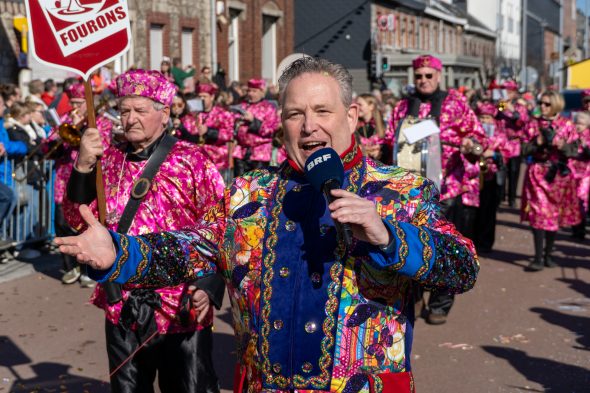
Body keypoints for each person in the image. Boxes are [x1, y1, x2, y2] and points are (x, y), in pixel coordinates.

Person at [56, 57, 479, 393]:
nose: (309, 125)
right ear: (282, 123)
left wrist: (389, 236)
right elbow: (191, 248)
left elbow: (462, 266)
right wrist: (121, 253)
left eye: (322, 111)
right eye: (295, 113)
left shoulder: (399, 190)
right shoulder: (248, 195)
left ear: (351, 116)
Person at [63, 69, 225, 393]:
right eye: (124, 110)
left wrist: (208, 284)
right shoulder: (107, 161)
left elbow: (221, 226)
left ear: (164, 113)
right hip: (124, 305)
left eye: (140, 110)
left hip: (183, 305)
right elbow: (78, 221)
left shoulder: (193, 161)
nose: (130, 118)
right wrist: (82, 166)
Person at [390, 54, 487, 325]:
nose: (423, 80)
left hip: (447, 187)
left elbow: (478, 136)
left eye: (428, 75)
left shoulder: (455, 103)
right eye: (418, 76)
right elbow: (392, 137)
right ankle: (416, 295)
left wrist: (471, 144)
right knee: (414, 241)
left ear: (438, 75)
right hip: (411, 189)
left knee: (446, 246)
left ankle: (441, 303)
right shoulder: (403, 105)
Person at [521, 91, 582, 271]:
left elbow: (576, 150)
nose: (543, 107)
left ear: (555, 105)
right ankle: (538, 257)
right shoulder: (533, 124)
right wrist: (537, 143)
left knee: (554, 214)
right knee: (538, 213)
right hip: (538, 173)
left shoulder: (567, 125)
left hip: (558, 175)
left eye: (547, 104)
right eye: (541, 103)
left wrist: (562, 146)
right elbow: (523, 149)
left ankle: (548, 255)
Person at [473, 101, 509, 253]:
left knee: (489, 210)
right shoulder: (473, 133)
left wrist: (494, 154)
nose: (484, 121)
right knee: (475, 211)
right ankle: (474, 239)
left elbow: (507, 153)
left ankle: (487, 242)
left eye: (488, 118)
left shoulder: (500, 134)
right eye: (482, 117)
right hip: (475, 176)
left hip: (491, 176)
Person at [234, 78, 283, 175]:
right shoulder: (242, 106)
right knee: (239, 187)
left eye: (254, 91)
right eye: (249, 90)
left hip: (259, 154)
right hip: (241, 153)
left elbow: (272, 129)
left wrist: (253, 121)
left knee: (257, 187)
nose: (250, 93)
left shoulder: (268, 108)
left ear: (262, 91)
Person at [496, 80, 529, 208]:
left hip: (514, 144)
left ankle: (512, 198)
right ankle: (499, 197)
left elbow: (523, 121)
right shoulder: (501, 105)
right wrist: (499, 105)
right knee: (500, 171)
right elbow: (495, 116)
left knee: (514, 172)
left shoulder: (520, 107)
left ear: (515, 93)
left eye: (509, 91)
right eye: (505, 91)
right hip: (501, 144)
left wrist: (512, 109)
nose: (507, 94)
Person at [570, 111, 590, 240]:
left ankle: (581, 229)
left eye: (581, 124)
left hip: (585, 173)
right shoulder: (571, 135)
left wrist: (585, 146)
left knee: (581, 199)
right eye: (576, 123)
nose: (578, 126)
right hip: (572, 171)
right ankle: (575, 229)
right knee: (572, 200)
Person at [355, 93, 391, 163]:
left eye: (360, 104)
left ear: (371, 106)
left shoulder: (384, 125)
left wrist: (380, 151)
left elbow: (389, 146)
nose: (357, 107)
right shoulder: (354, 126)